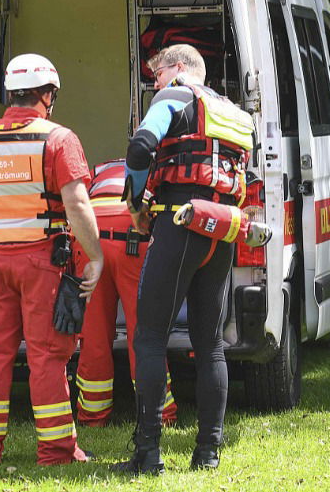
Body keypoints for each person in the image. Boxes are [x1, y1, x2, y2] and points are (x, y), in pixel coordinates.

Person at [0, 53, 104, 464]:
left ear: (11, 93)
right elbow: (78, 205)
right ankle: (56, 451)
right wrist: (96, 256)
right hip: (42, 263)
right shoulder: (57, 138)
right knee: (47, 356)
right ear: (47, 94)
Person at [113, 44, 254, 473]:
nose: (154, 83)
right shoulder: (232, 111)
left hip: (179, 222)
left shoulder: (175, 94)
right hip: (221, 228)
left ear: (178, 69)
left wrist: (136, 203)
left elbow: (141, 148)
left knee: (150, 337)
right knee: (210, 344)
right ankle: (208, 453)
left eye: (156, 74)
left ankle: (148, 455)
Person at [73, 158, 178, 427]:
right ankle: (158, 414)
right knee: (143, 333)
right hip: (132, 239)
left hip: (90, 238)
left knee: (94, 335)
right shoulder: (154, 171)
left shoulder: (100, 170)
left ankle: (92, 416)